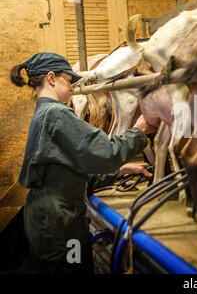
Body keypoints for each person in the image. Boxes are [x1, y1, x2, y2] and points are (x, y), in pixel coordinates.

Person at [9, 52, 156, 274]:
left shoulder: (43, 112)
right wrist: (140, 130)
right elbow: (105, 152)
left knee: (59, 267)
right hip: (61, 223)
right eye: (68, 81)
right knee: (74, 267)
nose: (71, 88)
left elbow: (67, 169)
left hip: (47, 216)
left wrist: (120, 170)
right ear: (51, 78)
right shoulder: (57, 113)